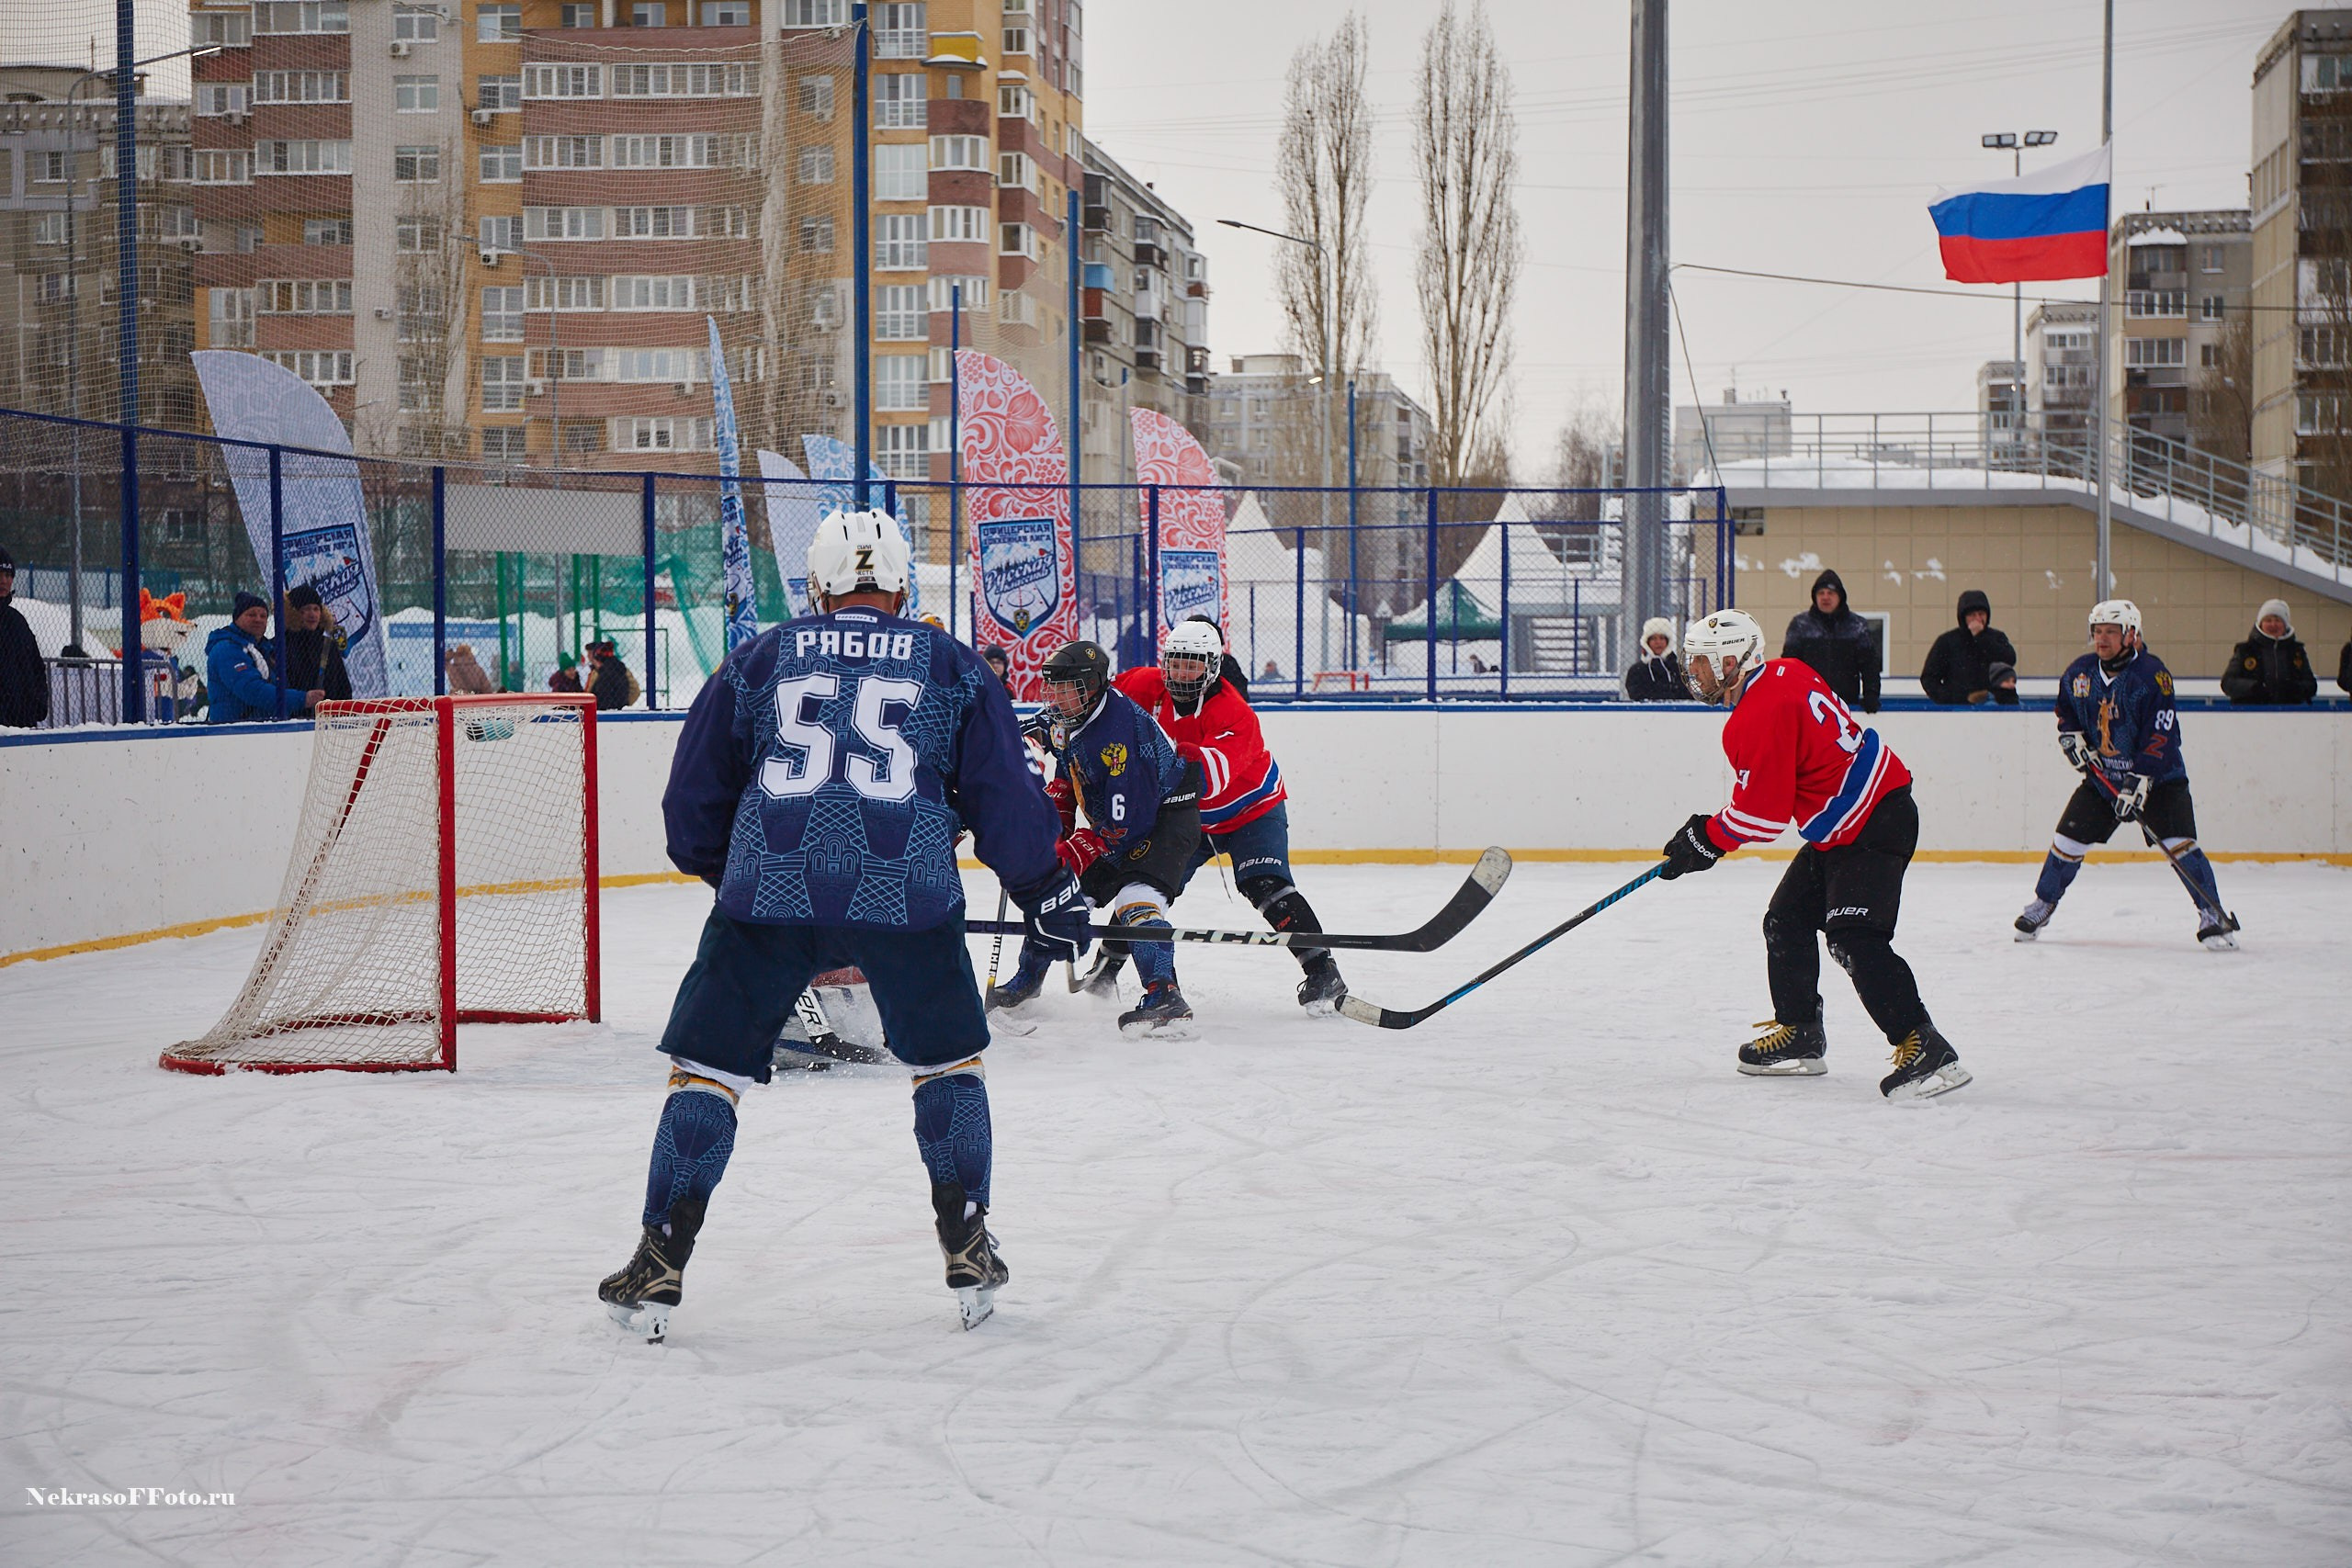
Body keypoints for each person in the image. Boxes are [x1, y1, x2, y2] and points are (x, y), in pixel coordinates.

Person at [598, 508, 1088, 1340]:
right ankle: (966, 1241)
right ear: (903, 584)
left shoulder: (759, 656)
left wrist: (740, 874)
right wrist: (1045, 886)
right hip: (907, 889)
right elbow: (1005, 795)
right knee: (947, 1066)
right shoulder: (952, 663)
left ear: (817, 586)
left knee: (708, 1072)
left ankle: (660, 1255)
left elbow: (690, 807)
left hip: (768, 892)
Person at [1657, 608, 1971, 1100]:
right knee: (1786, 918)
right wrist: (1708, 836)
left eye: (1703, 662)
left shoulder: (1754, 715)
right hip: (1850, 822)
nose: (1693, 672)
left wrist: (1704, 840)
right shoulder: (1787, 670)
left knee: (1853, 937)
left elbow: (1762, 818)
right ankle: (1801, 1033)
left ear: (1735, 660)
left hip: (1871, 822)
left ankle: (1925, 1046)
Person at [1081, 616, 1347, 1013]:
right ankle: (1104, 972)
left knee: (1265, 884)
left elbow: (1205, 779)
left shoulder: (1234, 713)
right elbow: (1096, 704)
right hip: (1190, 818)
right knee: (1143, 885)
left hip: (1250, 811)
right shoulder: (1144, 683)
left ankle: (1323, 973)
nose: (1181, 673)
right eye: (1176, 662)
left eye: (1193, 665)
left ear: (1212, 667)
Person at [993, 637, 1204, 1036]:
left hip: (1164, 822)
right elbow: (1046, 745)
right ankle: (1027, 981)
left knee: (1134, 900)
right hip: (1122, 823)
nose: (1052, 695)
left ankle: (1165, 996)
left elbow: (1125, 828)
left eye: (1063, 687)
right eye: (1050, 685)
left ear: (1089, 688)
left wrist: (1071, 850)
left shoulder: (1117, 740)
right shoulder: (1072, 714)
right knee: (1057, 892)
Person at [2016, 599, 2240, 950]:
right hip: (2104, 779)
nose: (2102, 639)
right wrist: (2071, 736)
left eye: (2111, 631)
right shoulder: (2080, 673)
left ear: (2131, 635)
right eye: (2097, 631)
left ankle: (2212, 912)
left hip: (2160, 780)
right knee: (2067, 841)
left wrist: (2141, 777)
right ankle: (2043, 903)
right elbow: (2066, 712)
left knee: (2178, 845)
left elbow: (2162, 733)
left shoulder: (2152, 676)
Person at [205, 592, 322, 724]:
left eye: (263, 616)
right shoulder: (227, 649)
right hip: (234, 731)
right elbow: (252, 690)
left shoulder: (265, 649)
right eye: (251, 615)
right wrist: (302, 699)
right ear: (237, 618)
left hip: (261, 727)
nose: (258, 619)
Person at [1781, 569, 1880, 713]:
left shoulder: (1857, 626)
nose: (1825, 597)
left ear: (1840, 597)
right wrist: (1787, 696)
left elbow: (1870, 665)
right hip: (1809, 706)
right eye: (1821, 593)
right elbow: (1789, 666)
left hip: (1846, 707)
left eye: (1830, 593)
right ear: (1815, 597)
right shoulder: (1800, 625)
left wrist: (1871, 694)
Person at [1918, 589, 2019, 706]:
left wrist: (1981, 637)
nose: (1977, 619)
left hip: (1995, 708)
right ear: (1963, 617)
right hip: (1958, 711)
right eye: (1972, 615)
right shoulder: (1947, 642)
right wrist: (1952, 700)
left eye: (1981, 614)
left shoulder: (1996, 637)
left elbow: (2009, 659)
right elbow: (1929, 678)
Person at [2220, 598, 2317, 705]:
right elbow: (2228, 683)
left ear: (2285, 625)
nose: (2273, 625)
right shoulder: (2246, 650)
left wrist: (2294, 689)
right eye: (2268, 620)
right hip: (2251, 714)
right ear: (2261, 624)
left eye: (2278, 620)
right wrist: (2254, 688)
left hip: (2290, 714)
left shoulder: (2296, 651)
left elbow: (2311, 685)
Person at [281, 583, 352, 716]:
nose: (312, 614)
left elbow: (343, 687)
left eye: (316, 609)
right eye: (305, 609)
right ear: (294, 613)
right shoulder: (281, 645)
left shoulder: (328, 646)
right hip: (293, 720)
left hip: (327, 720)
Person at [0, 545, 48, 729]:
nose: (4, 581)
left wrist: (38, 704)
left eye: (8, 575)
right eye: (0, 574)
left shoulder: (17, 621)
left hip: (23, 722)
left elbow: (36, 666)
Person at [1623, 615, 1684, 702]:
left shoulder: (1678, 670)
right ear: (1647, 642)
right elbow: (1636, 694)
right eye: (1653, 638)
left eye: (1662, 638)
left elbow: (1686, 694)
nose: (1658, 642)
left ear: (1668, 641)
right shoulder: (1637, 670)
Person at [585, 638, 638, 711]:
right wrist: (624, 704)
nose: (589, 657)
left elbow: (635, 690)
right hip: (618, 708)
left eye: (591, 654)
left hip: (601, 710)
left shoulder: (602, 673)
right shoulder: (619, 668)